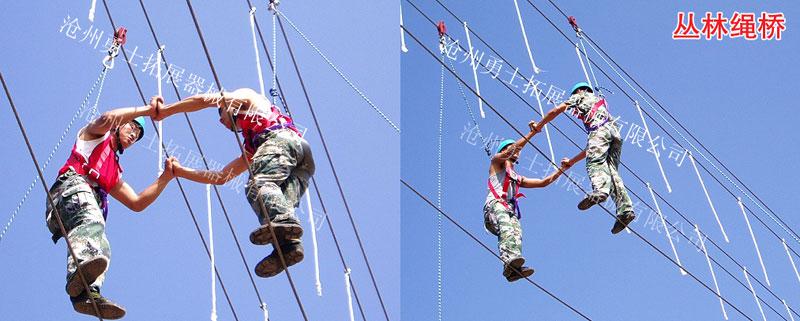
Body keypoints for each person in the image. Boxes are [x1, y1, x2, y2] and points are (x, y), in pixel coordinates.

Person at [155, 88, 315, 278]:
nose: (220, 121)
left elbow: (202, 100)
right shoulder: (252, 144)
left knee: (258, 186)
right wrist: (181, 172)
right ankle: (289, 247)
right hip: (303, 159)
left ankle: (285, 224)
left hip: (282, 141)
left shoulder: (249, 99)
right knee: (274, 204)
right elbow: (223, 177)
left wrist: (166, 110)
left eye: (221, 114)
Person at [47, 97, 176, 319]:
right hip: (68, 192)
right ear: (120, 124)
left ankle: (86, 294)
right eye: (132, 126)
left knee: (103, 247)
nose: (134, 135)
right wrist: (148, 110)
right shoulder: (96, 135)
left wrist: (165, 178)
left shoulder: (114, 172)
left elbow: (137, 202)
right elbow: (107, 117)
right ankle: (78, 271)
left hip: (78, 208)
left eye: (138, 134)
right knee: (93, 222)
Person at [484, 120, 583, 282]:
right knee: (507, 230)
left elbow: (543, 182)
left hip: (508, 209)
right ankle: (508, 260)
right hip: (494, 207)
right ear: (504, 151)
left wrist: (562, 170)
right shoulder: (496, 163)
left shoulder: (516, 178)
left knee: (517, 235)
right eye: (511, 149)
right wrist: (532, 133)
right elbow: (513, 149)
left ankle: (512, 270)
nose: (516, 152)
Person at [534, 82, 635, 234]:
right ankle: (625, 210)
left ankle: (600, 191)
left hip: (600, 131)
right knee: (611, 172)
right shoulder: (599, 105)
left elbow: (558, 110)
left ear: (580, 91)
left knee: (595, 163)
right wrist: (572, 162)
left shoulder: (580, 95)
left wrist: (540, 124)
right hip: (615, 133)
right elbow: (592, 148)